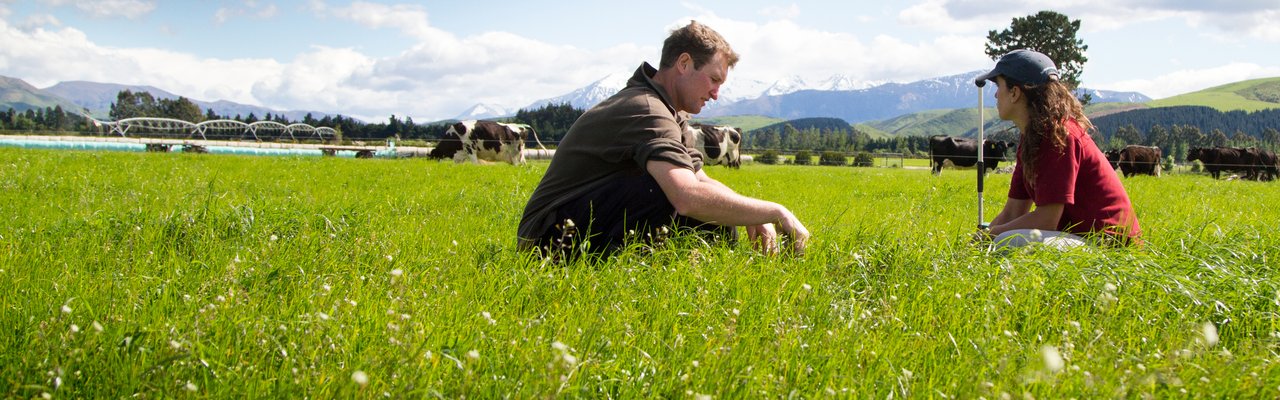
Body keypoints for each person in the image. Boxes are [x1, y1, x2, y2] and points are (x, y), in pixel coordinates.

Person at [517, 21, 809, 258]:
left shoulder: (670, 112)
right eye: (714, 79)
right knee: (669, 192)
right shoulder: (647, 108)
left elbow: (701, 181)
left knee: (714, 210)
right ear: (684, 63)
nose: (716, 93)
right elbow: (687, 196)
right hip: (547, 238)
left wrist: (748, 212)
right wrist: (775, 210)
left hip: (567, 224)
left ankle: (694, 269)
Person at [974, 49, 1141, 249]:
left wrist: (989, 236)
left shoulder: (1057, 137)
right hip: (1081, 238)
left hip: (1110, 245)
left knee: (1008, 241)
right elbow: (1012, 212)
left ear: (1014, 92)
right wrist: (976, 247)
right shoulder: (1032, 138)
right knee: (1002, 239)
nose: (995, 94)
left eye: (998, 85)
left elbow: (1046, 220)